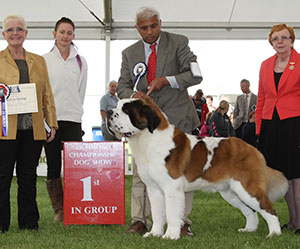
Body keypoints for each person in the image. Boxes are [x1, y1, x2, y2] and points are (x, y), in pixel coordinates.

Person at [117, 6, 202, 236]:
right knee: (141, 172)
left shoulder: (179, 43)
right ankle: (139, 220)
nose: (149, 31)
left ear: (160, 23)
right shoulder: (129, 53)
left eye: (153, 26)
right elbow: (122, 84)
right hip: (143, 123)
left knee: (179, 171)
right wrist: (132, 95)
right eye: (144, 28)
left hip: (177, 117)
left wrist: (167, 80)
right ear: (137, 29)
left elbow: (196, 73)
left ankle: (182, 222)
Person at [0, 14, 58, 233]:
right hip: (4, 129)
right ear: (4, 34)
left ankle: (29, 222)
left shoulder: (39, 60)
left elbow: (47, 95)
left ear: (26, 33)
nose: (15, 33)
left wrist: (51, 123)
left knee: (28, 176)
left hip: (32, 128)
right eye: (10, 29)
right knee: (2, 176)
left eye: (19, 29)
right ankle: (1, 223)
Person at [256, 23, 300, 235]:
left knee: (296, 175)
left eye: (284, 37)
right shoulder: (265, 65)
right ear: (271, 43)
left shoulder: (299, 63)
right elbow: (262, 97)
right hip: (270, 125)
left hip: (294, 124)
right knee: (282, 175)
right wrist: (259, 129)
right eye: (276, 39)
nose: (280, 42)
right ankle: (292, 221)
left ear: (292, 40)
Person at [43, 17, 88, 222]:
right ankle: (59, 210)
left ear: (73, 36)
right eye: (62, 32)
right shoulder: (43, 60)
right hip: (51, 121)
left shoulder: (81, 61)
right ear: (54, 34)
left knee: (74, 166)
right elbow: (42, 93)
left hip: (73, 120)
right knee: (53, 165)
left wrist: (77, 113)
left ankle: (74, 206)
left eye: (69, 32)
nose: (65, 36)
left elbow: (81, 91)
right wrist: (45, 121)